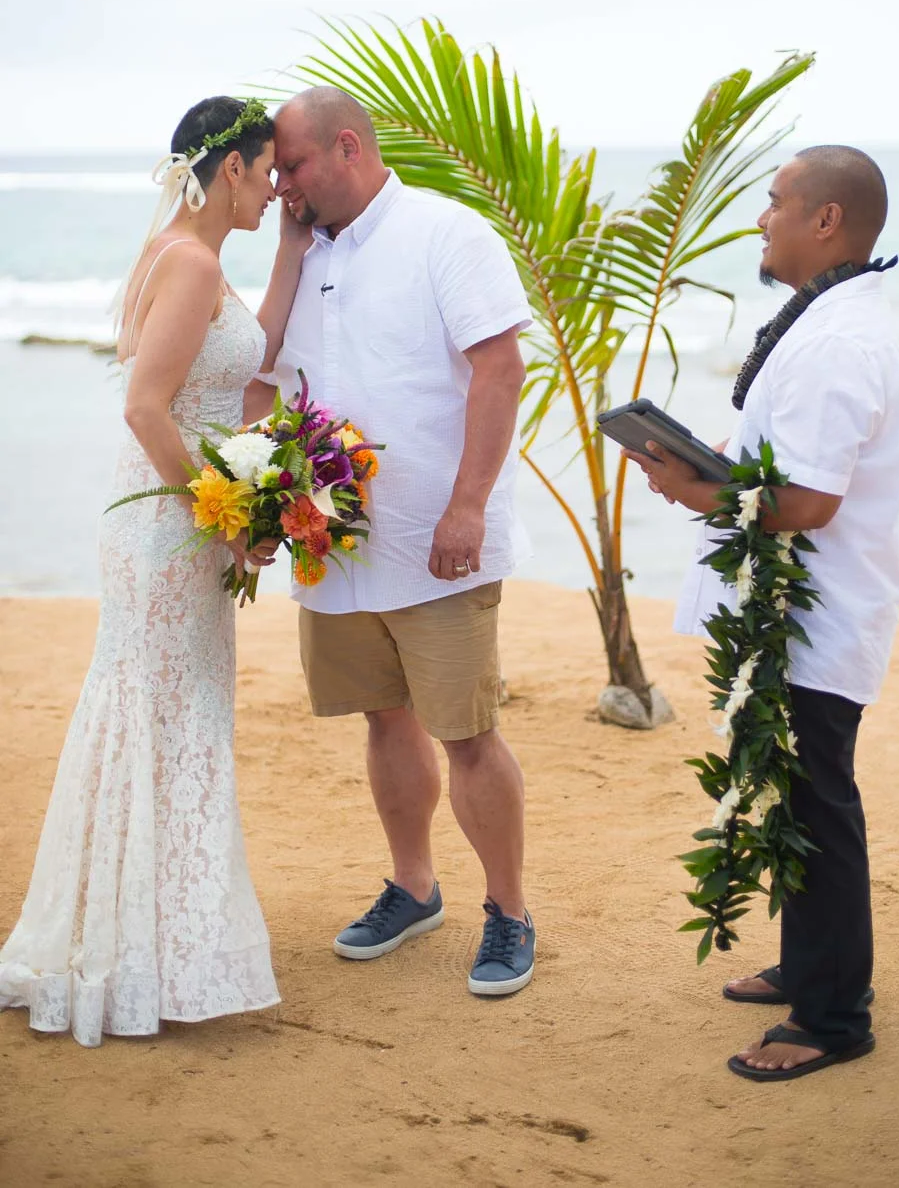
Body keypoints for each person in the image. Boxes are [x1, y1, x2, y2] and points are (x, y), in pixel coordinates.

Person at [0, 97, 311, 1046]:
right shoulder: (191, 262)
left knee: (166, 718)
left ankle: (155, 943)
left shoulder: (186, 255)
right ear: (231, 169)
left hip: (167, 519)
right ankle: (146, 952)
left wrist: (292, 250)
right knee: (167, 719)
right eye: (268, 172)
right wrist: (225, 514)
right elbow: (146, 407)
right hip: (167, 526)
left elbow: (241, 362)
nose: (276, 188)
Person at [625, 145, 899, 1081]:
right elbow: (785, 464)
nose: (761, 216)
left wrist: (692, 492)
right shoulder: (825, 322)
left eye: (775, 200)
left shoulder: (835, 342)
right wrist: (712, 462)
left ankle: (833, 1017)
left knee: (819, 802)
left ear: (825, 220)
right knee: (798, 792)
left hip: (818, 612)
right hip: (794, 607)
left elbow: (809, 501)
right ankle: (808, 964)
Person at [249, 85, 536, 997]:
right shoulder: (302, 253)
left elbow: (500, 369)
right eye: (274, 173)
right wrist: (257, 504)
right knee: (382, 717)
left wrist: (468, 506)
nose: (281, 186)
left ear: (347, 146)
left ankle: (510, 911)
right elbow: (266, 378)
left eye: (292, 166)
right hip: (333, 544)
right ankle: (414, 887)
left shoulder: (446, 233)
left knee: (469, 732)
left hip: (435, 539)